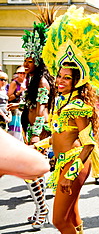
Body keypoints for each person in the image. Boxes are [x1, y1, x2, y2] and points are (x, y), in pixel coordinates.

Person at [40, 5, 99, 233]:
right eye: (59, 76)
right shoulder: (61, 101)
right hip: (63, 161)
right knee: (71, 215)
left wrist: (71, 174)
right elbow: (61, 134)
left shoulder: (78, 105)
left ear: (77, 81)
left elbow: (89, 143)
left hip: (75, 163)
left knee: (59, 221)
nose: (60, 81)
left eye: (66, 78)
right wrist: (40, 144)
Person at [19, 22, 56, 230]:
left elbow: (42, 110)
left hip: (38, 135)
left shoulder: (41, 81)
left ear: (38, 62)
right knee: (34, 174)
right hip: (31, 133)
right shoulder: (33, 80)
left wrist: (35, 138)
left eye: (30, 60)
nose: (26, 64)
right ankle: (39, 209)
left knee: (30, 173)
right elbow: (33, 106)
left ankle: (42, 209)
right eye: (25, 60)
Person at [7, 66, 26, 140]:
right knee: (15, 130)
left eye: (24, 73)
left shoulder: (27, 82)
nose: (22, 75)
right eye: (20, 73)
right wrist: (19, 92)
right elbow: (9, 97)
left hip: (23, 108)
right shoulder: (14, 83)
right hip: (15, 109)